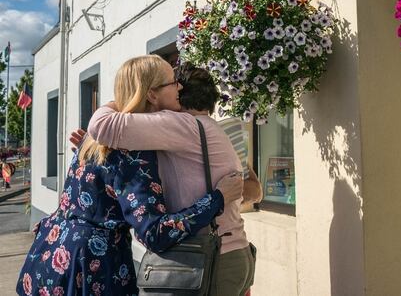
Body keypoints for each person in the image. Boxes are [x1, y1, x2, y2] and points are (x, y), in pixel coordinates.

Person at [17, 55, 243, 296]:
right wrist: (217, 199)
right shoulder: (133, 151)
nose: (179, 86)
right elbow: (155, 233)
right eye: (172, 81)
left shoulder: (93, 141)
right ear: (152, 94)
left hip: (51, 257)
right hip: (92, 269)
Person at [87, 63, 260, 296]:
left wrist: (128, 97)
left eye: (175, 85)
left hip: (209, 258)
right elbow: (252, 189)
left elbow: (102, 125)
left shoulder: (182, 125)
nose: (175, 88)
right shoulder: (212, 129)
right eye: (171, 84)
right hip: (235, 251)